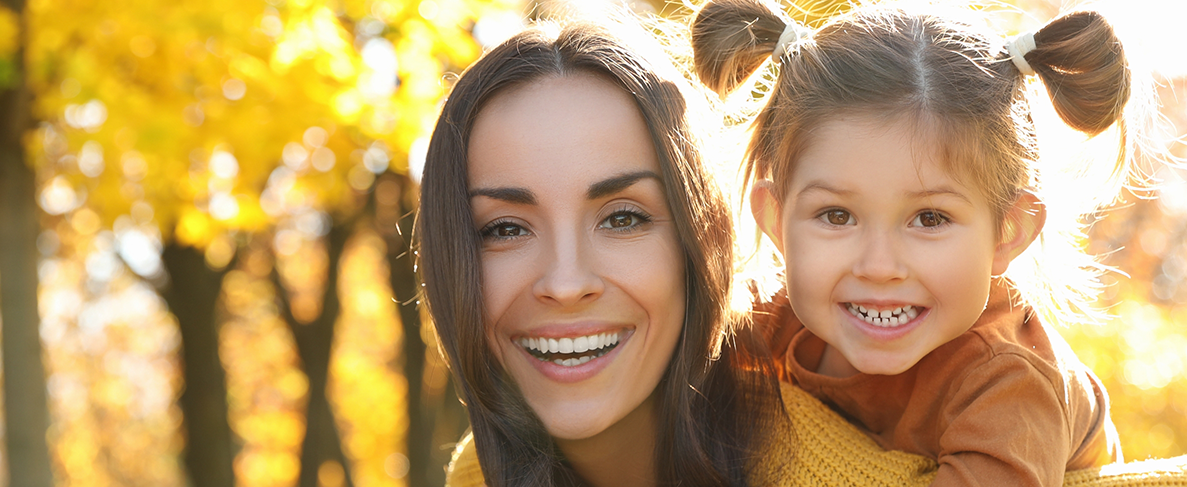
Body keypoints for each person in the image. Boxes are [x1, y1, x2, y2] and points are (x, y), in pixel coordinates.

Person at [689, 0, 1161, 484]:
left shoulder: (1008, 385)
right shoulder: (762, 321)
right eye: (837, 215)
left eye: (929, 218)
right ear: (775, 219)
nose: (878, 266)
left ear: (1008, 231)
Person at [414, 12, 785, 487]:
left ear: (705, 237)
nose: (566, 284)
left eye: (623, 218)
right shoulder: (472, 477)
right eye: (506, 230)